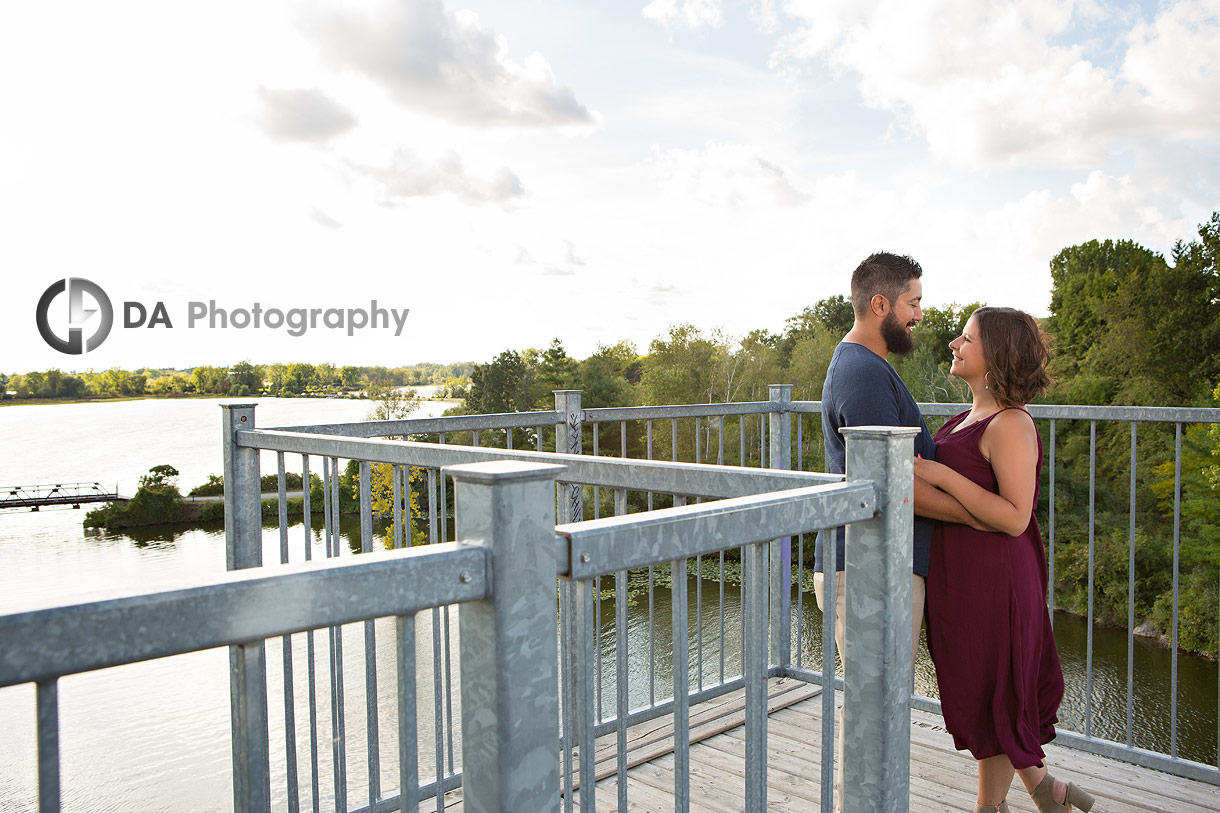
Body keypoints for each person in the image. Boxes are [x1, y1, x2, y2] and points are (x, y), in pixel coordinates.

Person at [813, 251, 979, 809]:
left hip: (880, 564)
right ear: (879, 303)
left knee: (880, 710)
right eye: (913, 303)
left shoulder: (869, 367)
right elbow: (891, 480)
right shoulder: (861, 371)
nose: (919, 315)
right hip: (864, 566)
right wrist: (984, 515)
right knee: (871, 717)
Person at [914, 307, 1096, 813]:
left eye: (966, 338)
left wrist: (938, 476)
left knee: (996, 688)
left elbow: (1017, 517)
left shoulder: (1012, 423)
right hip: (964, 577)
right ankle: (1040, 793)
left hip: (997, 579)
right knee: (984, 689)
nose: (954, 343)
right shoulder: (964, 418)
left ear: (995, 357)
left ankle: (1000, 804)